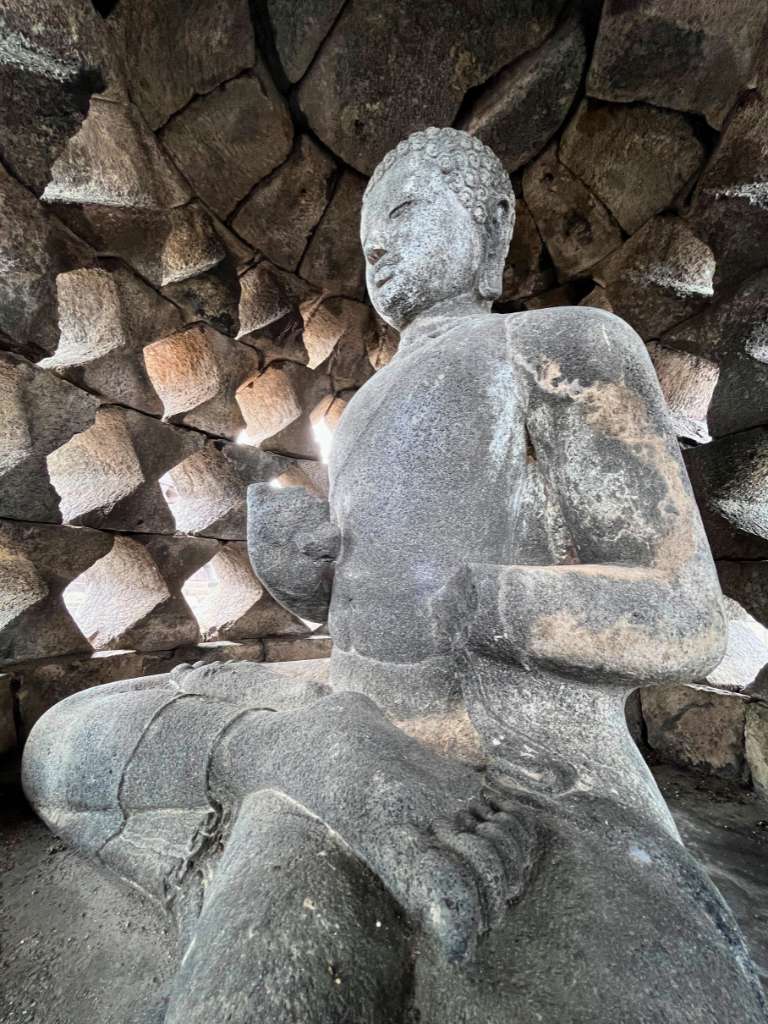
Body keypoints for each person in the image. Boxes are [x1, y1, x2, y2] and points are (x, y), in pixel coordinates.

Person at [23, 128, 766, 1023]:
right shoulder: (365, 402)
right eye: (367, 231)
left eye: (405, 212)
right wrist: (303, 575)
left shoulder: (565, 345)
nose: (376, 246)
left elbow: (687, 616)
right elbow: (360, 606)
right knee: (60, 746)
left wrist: (481, 600)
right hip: (352, 718)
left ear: (492, 230)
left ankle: (306, 773)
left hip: (521, 755)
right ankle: (305, 753)